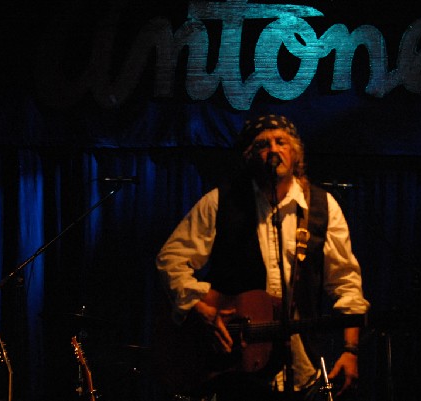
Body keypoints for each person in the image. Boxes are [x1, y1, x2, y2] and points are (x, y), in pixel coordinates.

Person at [155, 114, 370, 401]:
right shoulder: (221, 202)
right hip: (236, 368)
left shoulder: (323, 208)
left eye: (281, 142)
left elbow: (346, 283)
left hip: (302, 366)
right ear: (249, 156)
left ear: (295, 154)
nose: (273, 150)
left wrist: (350, 351)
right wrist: (200, 307)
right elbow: (171, 259)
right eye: (262, 145)